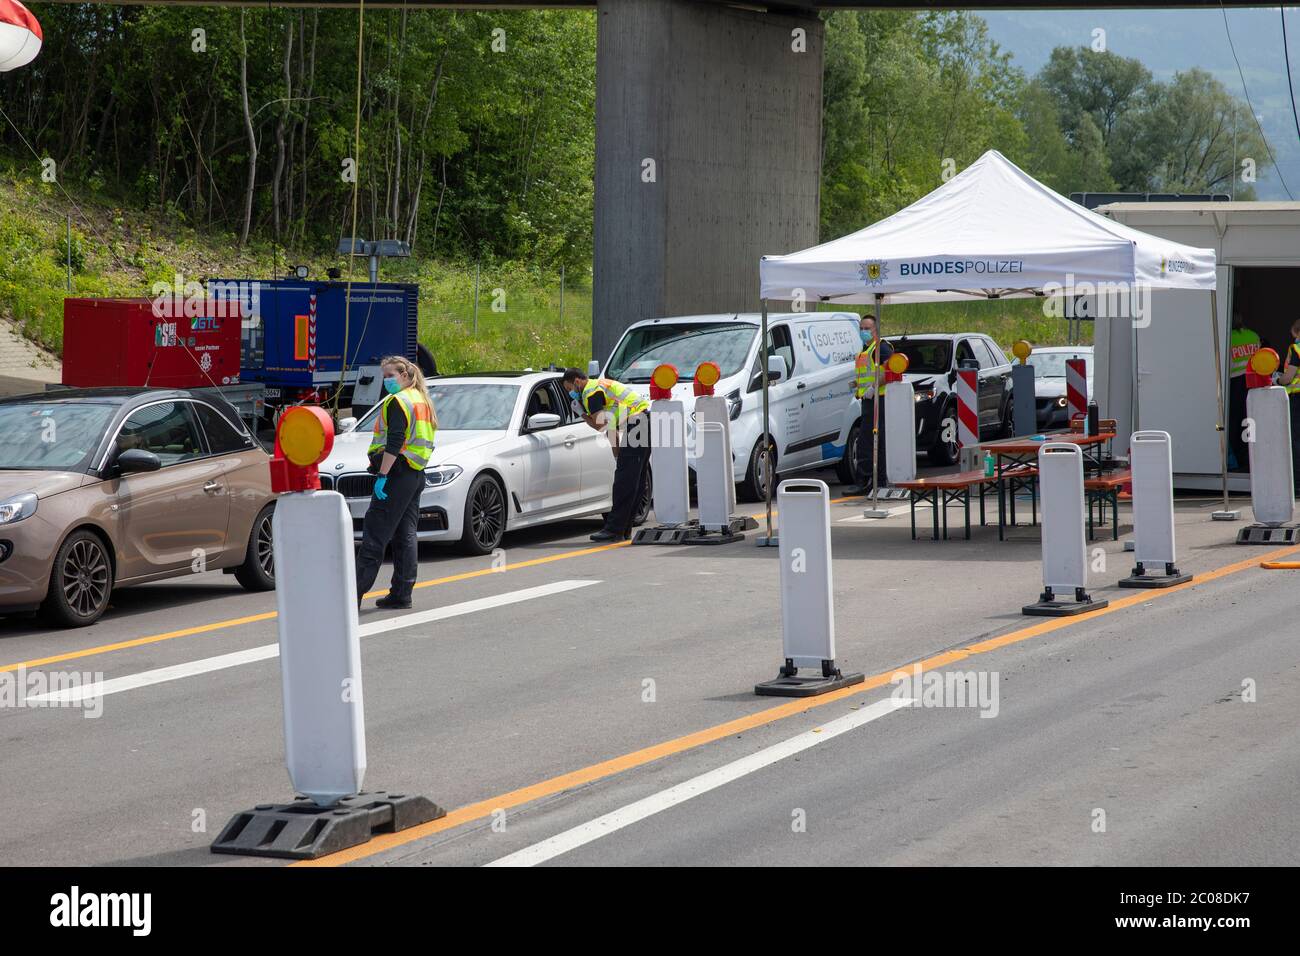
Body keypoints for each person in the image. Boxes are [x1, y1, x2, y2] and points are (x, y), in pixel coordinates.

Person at [355, 355, 437, 610]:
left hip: (396, 473)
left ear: (405, 375)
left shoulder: (398, 401)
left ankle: (352, 595)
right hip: (415, 473)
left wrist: (382, 476)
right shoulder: (420, 399)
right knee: (405, 535)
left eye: (391, 375)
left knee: (374, 534)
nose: (387, 380)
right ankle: (402, 593)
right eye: (385, 376)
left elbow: (394, 442)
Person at [561, 368, 651, 541]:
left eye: (569, 389)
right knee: (634, 481)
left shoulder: (590, 392)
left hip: (637, 423)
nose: (570, 393)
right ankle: (624, 529)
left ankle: (614, 530)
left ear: (577, 382)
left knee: (624, 483)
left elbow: (601, 425)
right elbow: (611, 428)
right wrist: (617, 456)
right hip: (644, 420)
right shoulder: (600, 386)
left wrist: (582, 414)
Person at [843, 314, 894, 495]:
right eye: (861, 328)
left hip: (879, 400)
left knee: (872, 441)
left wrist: (874, 387)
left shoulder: (881, 348)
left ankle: (870, 480)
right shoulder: (866, 350)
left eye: (867, 328)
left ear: (875, 330)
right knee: (868, 441)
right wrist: (858, 386)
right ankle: (871, 480)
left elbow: (890, 369)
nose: (864, 331)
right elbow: (867, 374)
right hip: (868, 401)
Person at [1228, 311, 1261, 472]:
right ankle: (1249, 456)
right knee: (1251, 419)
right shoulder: (1254, 336)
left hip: (1235, 383)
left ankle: (1237, 457)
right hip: (1253, 381)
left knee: (1234, 421)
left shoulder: (1228, 338)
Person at [1276, 319, 1300, 495]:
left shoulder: (1295, 349)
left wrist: (1276, 379)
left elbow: (1288, 378)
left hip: (1297, 398)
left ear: (1296, 332)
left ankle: (1297, 483)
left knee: (1296, 440)